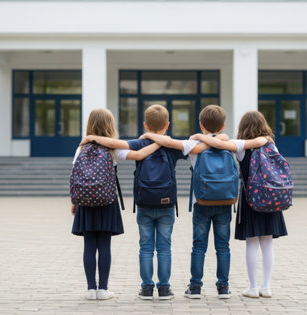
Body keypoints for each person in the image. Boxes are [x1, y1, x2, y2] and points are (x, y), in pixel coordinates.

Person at [142, 105, 267, 299]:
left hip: (201, 202)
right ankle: (223, 287)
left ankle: (195, 287)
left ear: (201, 124)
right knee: (223, 247)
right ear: (224, 125)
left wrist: (148, 136)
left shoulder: (194, 145)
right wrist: (222, 137)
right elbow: (235, 141)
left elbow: (169, 142)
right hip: (226, 201)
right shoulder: (230, 143)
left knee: (199, 246)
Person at [81, 105, 196, 300]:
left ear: (145, 124)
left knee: (145, 247)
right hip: (166, 204)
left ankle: (147, 288)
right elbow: (194, 142)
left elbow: (113, 143)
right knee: (164, 247)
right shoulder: (172, 145)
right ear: (167, 125)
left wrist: (91, 138)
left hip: (144, 202)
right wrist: (165, 140)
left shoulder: (139, 143)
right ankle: (165, 288)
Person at [190, 110, 288, 299]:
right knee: (267, 243)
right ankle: (266, 286)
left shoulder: (240, 147)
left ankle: (252, 287)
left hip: (251, 198)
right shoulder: (271, 145)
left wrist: (198, 136)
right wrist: (265, 139)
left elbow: (217, 143)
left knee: (252, 242)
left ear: (242, 127)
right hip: (271, 198)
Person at [71, 108, 160, 301]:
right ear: (110, 126)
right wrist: (157, 144)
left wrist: (74, 203)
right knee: (104, 245)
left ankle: (89, 290)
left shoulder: (81, 148)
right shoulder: (112, 149)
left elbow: (74, 175)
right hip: (106, 200)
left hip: (85, 202)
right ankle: (103, 289)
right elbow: (138, 155)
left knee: (89, 246)